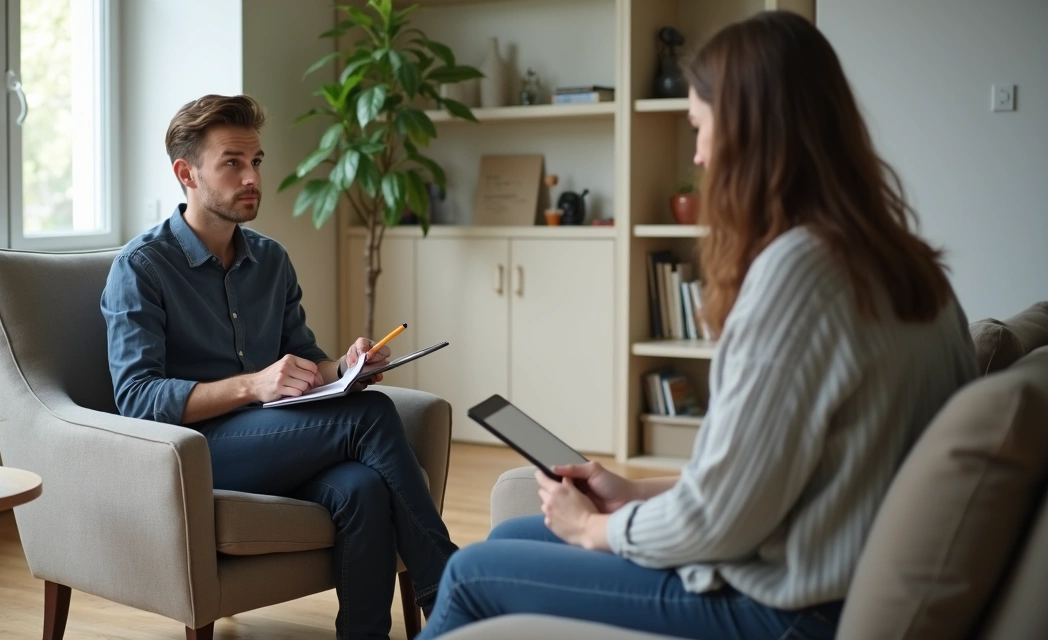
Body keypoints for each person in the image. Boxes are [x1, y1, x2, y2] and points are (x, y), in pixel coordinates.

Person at [416, 11, 978, 640]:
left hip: (786, 605)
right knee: (517, 535)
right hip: (821, 575)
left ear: (748, 132)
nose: (699, 155)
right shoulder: (906, 265)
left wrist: (594, 528)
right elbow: (763, 478)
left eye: (700, 127)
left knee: (469, 573)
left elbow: (721, 519)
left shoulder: (801, 273)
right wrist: (631, 492)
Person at [100, 94, 458, 640]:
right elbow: (137, 399)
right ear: (186, 174)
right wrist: (253, 385)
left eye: (256, 161)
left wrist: (344, 367)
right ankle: (451, 599)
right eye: (232, 163)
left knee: (363, 486)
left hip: (275, 436)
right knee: (371, 416)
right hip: (194, 449)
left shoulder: (271, 259)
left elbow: (305, 357)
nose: (252, 178)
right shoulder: (141, 268)